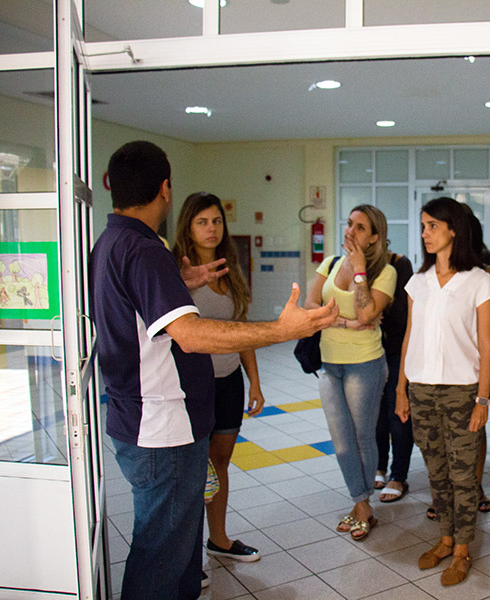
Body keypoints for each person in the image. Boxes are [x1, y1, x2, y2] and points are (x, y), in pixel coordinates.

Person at [91, 141, 337, 600]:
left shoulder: (109, 244)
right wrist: (282, 330)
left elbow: (134, 314)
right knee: (158, 556)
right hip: (161, 427)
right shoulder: (144, 250)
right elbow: (189, 335)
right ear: (165, 189)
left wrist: (177, 282)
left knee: (179, 550)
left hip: (142, 420)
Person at [395, 197, 490, 587]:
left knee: (463, 476)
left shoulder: (478, 280)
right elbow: (409, 337)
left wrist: (482, 399)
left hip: (462, 392)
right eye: (423, 226)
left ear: (454, 229)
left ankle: (462, 551)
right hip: (421, 389)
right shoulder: (418, 281)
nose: (425, 233)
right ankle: (445, 539)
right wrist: (402, 388)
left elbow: (487, 344)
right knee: (436, 472)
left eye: (433, 226)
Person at [172, 192, 265, 562]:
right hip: (192, 385)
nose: (211, 229)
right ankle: (187, 557)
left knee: (220, 462)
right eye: (202, 222)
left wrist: (254, 380)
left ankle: (219, 540)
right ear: (188, 227)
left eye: (216, 221)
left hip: (229, 381)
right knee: (194, 467)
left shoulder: (231, 269)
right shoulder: (177, 270)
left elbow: (240, 330)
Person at [306, 204, 396, 541]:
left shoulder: (385, 272)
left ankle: (362, 505)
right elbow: (310, 305)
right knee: (341, 441)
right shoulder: (329, 263)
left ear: (374, 237)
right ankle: (361, 503)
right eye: (349, 224)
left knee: (362, 437)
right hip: (329, 363)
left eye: (360, 227)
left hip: (365, 363)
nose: (350, 231)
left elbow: (367, 312)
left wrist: (359, 271)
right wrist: (346, 323)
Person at [425, 205, 490, 519]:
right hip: (437, 369)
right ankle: (443, 495)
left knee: (473, 430)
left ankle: (475, 487)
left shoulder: (484, 271)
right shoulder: (432, 268)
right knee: (438, 434)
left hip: (471, 369)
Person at [374, 250, 414, 502]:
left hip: (397, 351)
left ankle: (398, 475)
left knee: (398, 413)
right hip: (369, 350)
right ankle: (379, 466)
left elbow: (403, 317)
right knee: (376, 416)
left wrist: (378, 309)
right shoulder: (356, 267)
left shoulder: (400, 265)